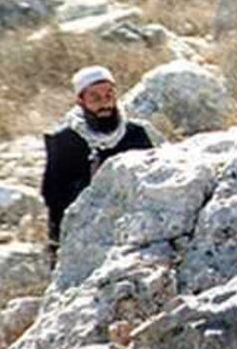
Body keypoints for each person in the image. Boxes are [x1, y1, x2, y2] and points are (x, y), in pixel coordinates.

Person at [41, 66, 161, 261]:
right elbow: (53, 195)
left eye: (109, 95)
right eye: (95, 98)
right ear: (80, 101)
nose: (105, 104)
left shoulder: (134, 133)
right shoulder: (64, 139)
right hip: (80, 234)